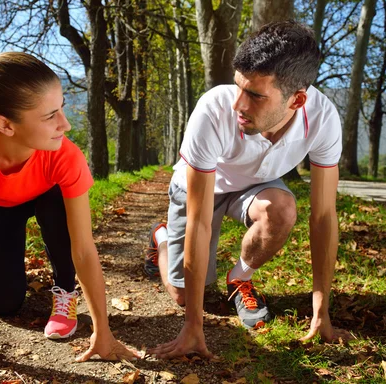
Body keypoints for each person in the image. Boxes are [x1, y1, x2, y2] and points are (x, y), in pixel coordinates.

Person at [145, 20, 351, 359]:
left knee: (283, 209)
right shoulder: (213, 110)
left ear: (297, 100)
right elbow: (199, 221)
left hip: (255, 186)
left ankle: (240, 277)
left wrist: (321, 313)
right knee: (183, 294)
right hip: (200, 187)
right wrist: (192, 327)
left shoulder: (323, 119)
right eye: (238, 86)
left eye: (255, 95)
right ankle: (163, 238)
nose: (238, 104)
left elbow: (324, 216)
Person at [0, 52, 138, 362]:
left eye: (61, 109)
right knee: (4, 305)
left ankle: (64, 289)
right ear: (5, 125)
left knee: (58, 219)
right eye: (51, 116)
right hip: (0, 205)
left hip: (50, 197)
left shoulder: (65, 156)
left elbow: (85, 249)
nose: (66, 125)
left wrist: (103, 331)